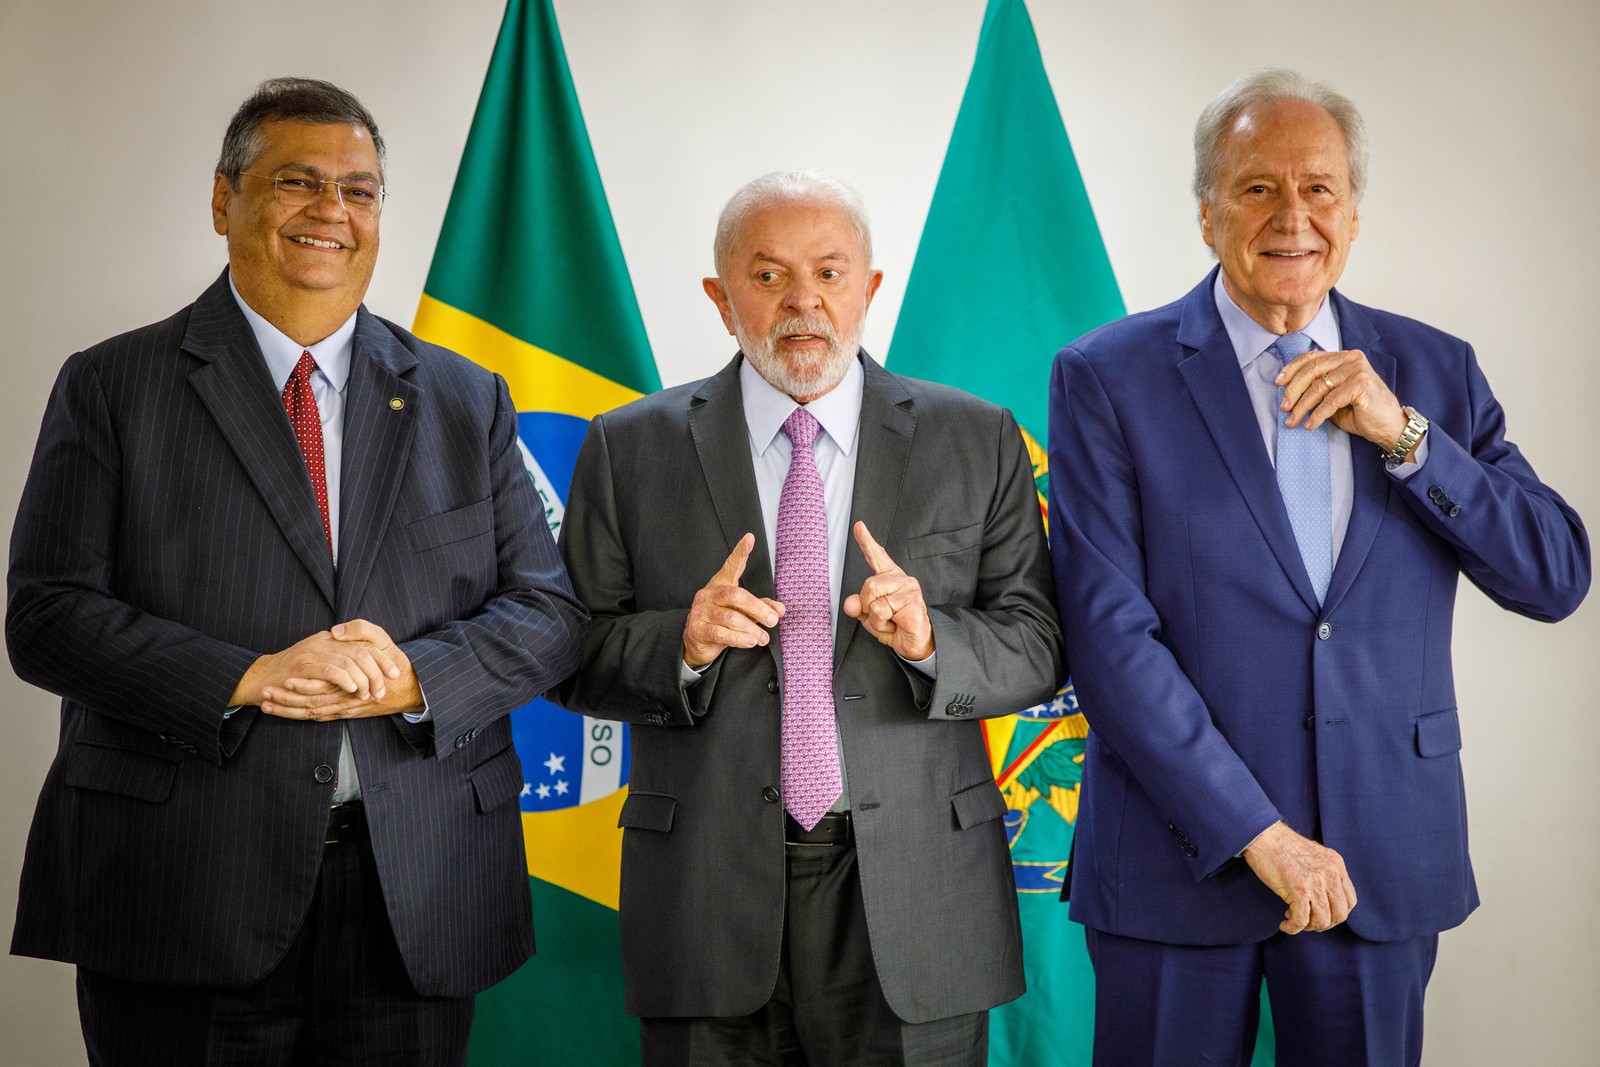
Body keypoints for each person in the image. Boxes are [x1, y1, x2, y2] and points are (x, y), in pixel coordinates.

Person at [7, 77, 585, 1065]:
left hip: (416, 890)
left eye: (358, 191)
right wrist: (247, 675)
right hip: (185, 882)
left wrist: (414, 674)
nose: (332, 211)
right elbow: (47, 615)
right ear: (225, 199)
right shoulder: (112, 385)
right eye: (298, 182)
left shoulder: (464, 397)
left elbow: (547, 613)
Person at [1048, 68, 1590, 1066]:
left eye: (1319, 187)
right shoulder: (1105, 376)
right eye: (1257, 187)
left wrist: (1409, 438)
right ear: (1208, 213)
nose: (1290, 214)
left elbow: (1554, 573)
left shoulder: (1434, 371)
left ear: (1352, 210)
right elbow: (1107, 635)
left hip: (1377, 857)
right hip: (1180, 857)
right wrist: (1259, 831)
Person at [553, 170, 1063, 1066]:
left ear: (869, 288)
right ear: (720, 298)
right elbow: (569, 652)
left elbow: (1038, 642)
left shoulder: (977, 438)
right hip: (704, 896)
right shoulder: (627, 445)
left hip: (920, 892)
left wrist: (936, 640)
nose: (802, 302)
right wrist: (682, 643)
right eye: (768, 275)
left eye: (829, 274)